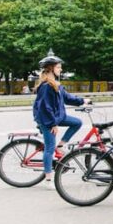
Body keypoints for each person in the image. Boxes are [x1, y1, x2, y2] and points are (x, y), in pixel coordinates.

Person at [32, 53, 89, 190]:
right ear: (51, 68)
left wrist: (83, 101)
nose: (61, 69)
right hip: (47, 119)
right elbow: (45, 107)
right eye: (58, 67)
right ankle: (48, 179)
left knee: (77, 122)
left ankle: (61, 146)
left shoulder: (56, 84)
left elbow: (67, 98)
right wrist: (53, 124)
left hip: (57, 116)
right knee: (49, 148)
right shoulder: (46, 86)